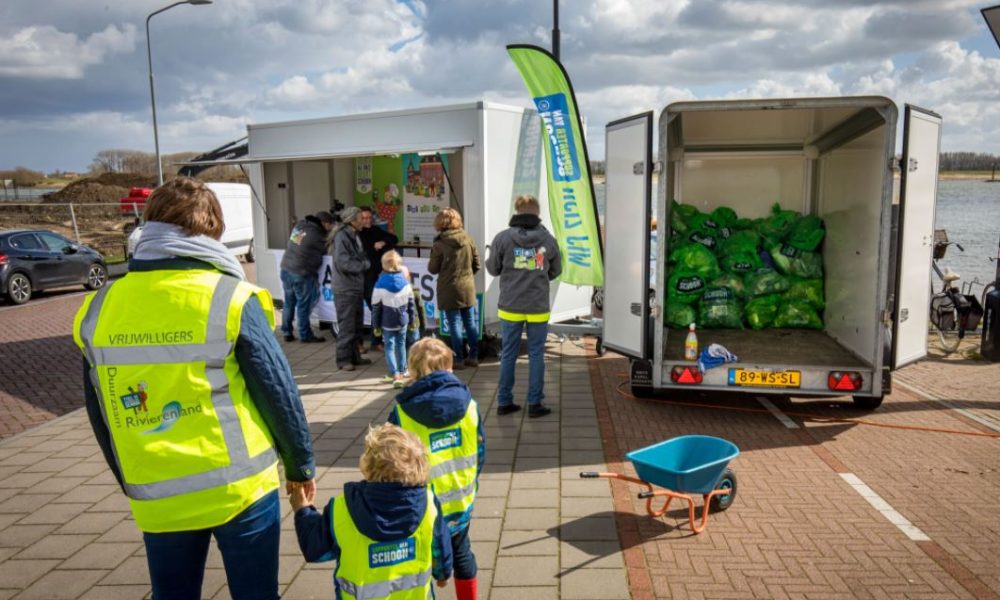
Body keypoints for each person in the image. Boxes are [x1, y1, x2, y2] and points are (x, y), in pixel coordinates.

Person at [73, 177, 315, 600]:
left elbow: (100, 413)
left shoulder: (99, 307)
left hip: (158, 492)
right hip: (239, 490)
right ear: (214, 231)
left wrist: (129, 476)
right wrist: (300, 466)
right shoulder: (230, 296)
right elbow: (278, 392)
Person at [290, 424, 453, 599]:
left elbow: (315, 549)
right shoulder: (429, 505)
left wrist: (303, 510)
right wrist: (442, 573)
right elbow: (439, 544)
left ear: (368, 466)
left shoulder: (342, 509)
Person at [388, 338, 485, 600]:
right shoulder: (469, 406)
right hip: (461, 498)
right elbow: (480, 450)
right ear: (449, 368)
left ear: (413, 371)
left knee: (420, 557)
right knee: (462, 551)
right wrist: (472, 480)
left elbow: (392, 461)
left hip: (420, 504)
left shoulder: (402, 412)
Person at [485, 194, 562, 418]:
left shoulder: (502, 238)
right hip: (537, 306)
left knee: (508, 353)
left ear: (517, 212)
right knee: (536, 354)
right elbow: (556, 271)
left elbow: (493, 269)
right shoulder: (548, 241)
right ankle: (535, 404)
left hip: (510, 305)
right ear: (537, 214)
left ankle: (504, 402)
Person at [428, 208, 481, 370]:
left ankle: (458, 359)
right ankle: (473, 356)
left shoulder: (439, 244)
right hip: (467, 287)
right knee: (470, 323)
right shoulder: (468, 239)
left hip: (448, 288)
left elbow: (432, 268)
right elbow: (477, 264)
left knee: (454, 324)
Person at [279, 210, 336, 343]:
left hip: (286, 268)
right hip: (302, 273)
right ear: (324, 223)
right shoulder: (318, 236)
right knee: (304, 305)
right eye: (330, 225)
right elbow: (329, 249)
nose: (331, 228)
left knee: (289, 303)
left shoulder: (300, 225)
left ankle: (287, 332)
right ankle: (305, 335)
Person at [331, 206, 372, 371]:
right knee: (347, 326)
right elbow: (343, 262)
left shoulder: (354, 235)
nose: (364, 221)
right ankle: (343, 360)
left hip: (355, 286)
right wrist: (363, 265)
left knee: (356, 325)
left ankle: (355, 356)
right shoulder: (342, 236)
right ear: (352, 221)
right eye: (361, 218)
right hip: (345, 288)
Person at [372, 250, 417, 388]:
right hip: (403, 320)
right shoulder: (406, 283)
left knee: (389, 347)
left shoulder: (379, 284)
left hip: (387, 322)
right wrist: (413, 321)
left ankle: (394, 373)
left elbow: (376, 308)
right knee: (401, 345)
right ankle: (403, 371)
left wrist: (376, 326)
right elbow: (411, 304)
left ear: (384, 265)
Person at [359, 206, 399, 351]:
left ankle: (376, 341)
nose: (367, 221)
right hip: (361, 277)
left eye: (369, 217)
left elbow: (393, 238)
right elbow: (360, 251)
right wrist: (372, 246)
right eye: (364, 218)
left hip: (374, 276)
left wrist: (382, 243)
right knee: (360, 312)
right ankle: (359, 344)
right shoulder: (355, 233)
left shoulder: (375, 230)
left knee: (377, 309)